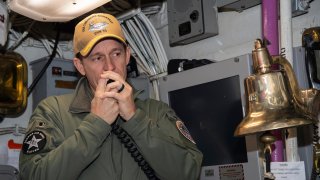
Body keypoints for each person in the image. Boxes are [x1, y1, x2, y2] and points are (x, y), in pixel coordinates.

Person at [19, 13, 203, 180]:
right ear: (80, 66)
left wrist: (135, 119)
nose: (110, 67)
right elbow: (34, 176)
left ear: (127, 55)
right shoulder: (54, 111)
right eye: (97, 58)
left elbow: (188, 173)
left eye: (116, 53)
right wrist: (95, 124)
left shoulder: (156, 111)